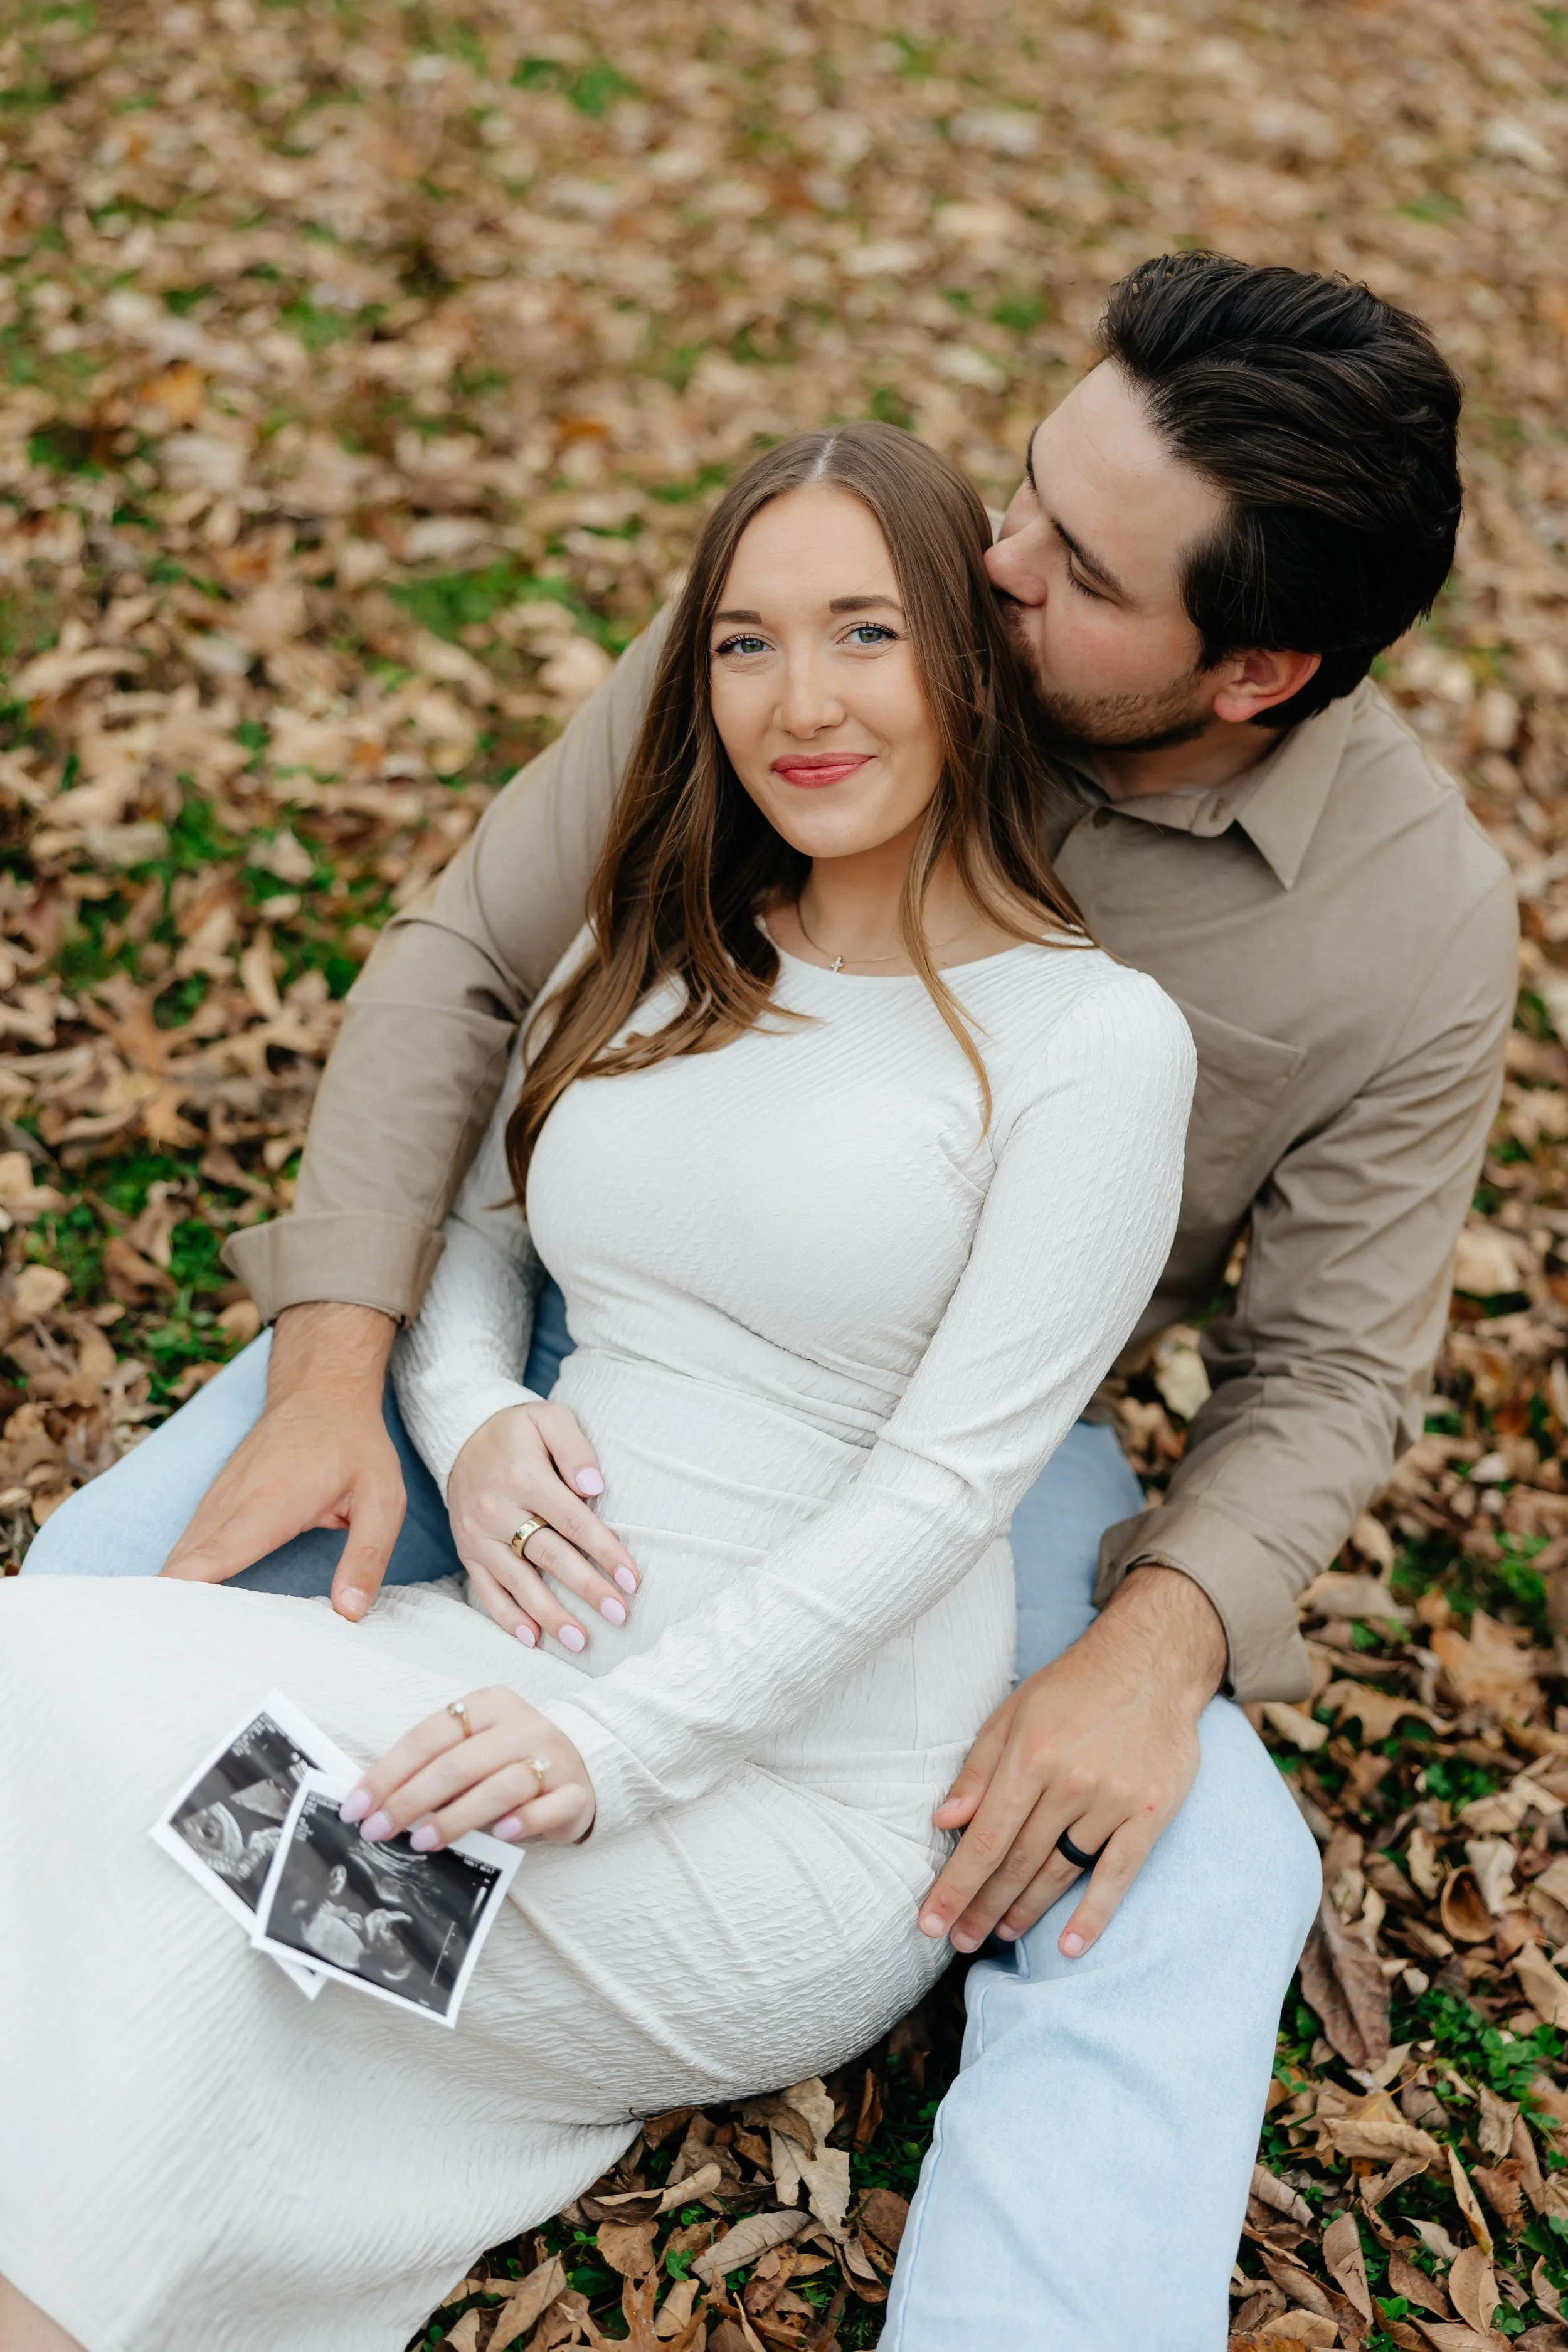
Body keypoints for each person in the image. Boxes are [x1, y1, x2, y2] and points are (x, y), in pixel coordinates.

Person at [19, 251, 1513, 2344]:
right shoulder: (830, 632)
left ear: (1250, 672)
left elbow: (1327, 1365)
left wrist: (1156, 1646)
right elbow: (472, 966)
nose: (989, 572)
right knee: (112, 1617)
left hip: (964, 1432)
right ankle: (215, 2102)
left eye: (1071, 570)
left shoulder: (1405, 926)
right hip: (569, 1314)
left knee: (1181, 1870)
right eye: (1014, 493)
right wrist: (349, 1369)